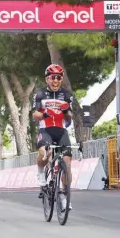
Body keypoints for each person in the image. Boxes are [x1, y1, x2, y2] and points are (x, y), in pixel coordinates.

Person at [31, 63, 74, 210]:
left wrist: (67, 110)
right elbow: (34, 115)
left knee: (67, 163)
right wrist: (44, 114)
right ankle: (41, 173)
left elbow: (69, 118)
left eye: (59, 77)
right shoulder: (40, 94)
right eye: (53, 77)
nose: (56, 80)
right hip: (46, 130)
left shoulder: (67, 95)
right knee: (45, 153)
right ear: (47, 79)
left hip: (61, 130)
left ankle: (65, 196)